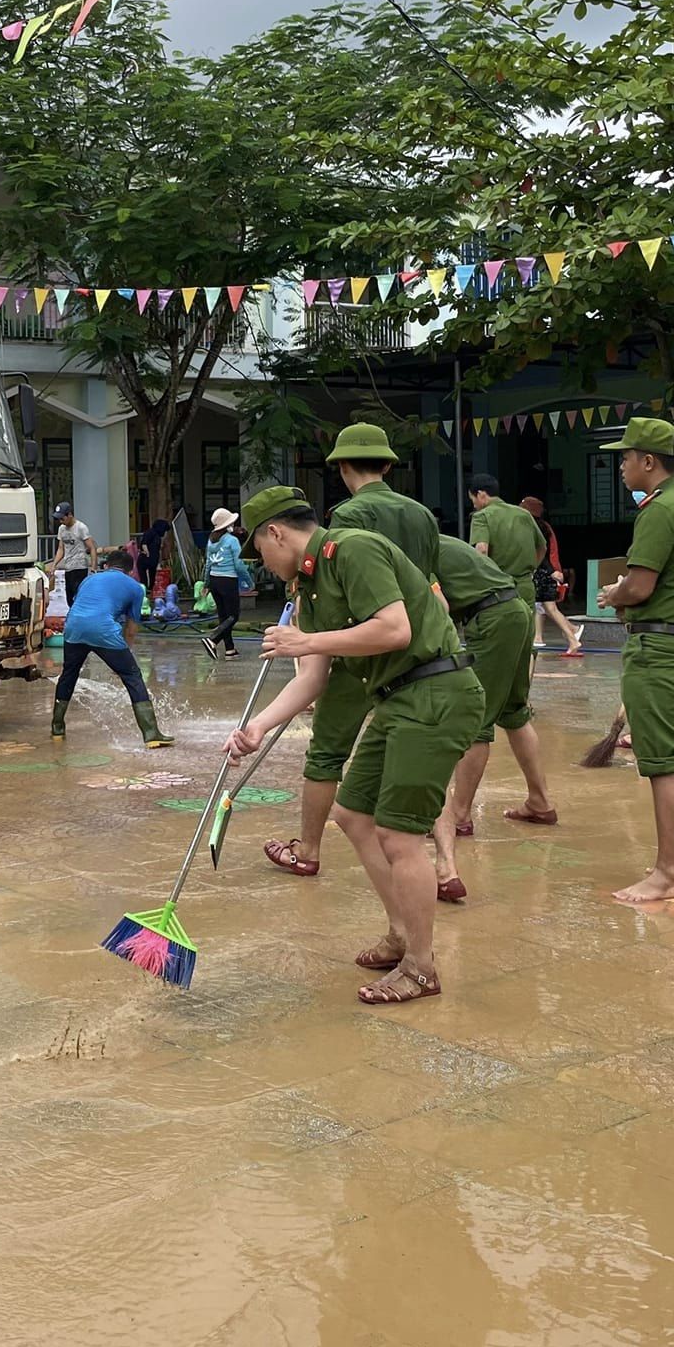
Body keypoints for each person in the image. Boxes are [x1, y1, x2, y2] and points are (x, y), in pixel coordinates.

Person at [227, 486, 482, 1005]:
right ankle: (400, 933)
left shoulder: (352, 549)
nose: (262, 564)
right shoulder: (311, 586)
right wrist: (258, 726)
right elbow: (313, 678)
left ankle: (421, 966)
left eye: (259, 550)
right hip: (395, 699)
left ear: (276, 533)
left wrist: (306, 641)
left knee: (398, 833)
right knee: (352, 814)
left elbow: (394, 628)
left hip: (435, 692)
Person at [262, 423, 436, 878]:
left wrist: (310, 636)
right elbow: (432, 588)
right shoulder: (421, 515)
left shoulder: (347, 523)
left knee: (327, 752)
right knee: (416, 759)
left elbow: (341, 585)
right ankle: (446, 861)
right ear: (387, 464)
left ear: (340, 468)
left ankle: (309, 848)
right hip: (428, 654)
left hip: (365, 646)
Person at [594, 418, 674, 904]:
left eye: (626, 457)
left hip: (659, 648)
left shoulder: (660, 510)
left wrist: (615, 593)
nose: (623, 466)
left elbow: (642, 584)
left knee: (664, 761)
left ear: (649, 461)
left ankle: (665, 874)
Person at [428, 534, 557, 901]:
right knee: (514, 712)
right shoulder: (441, 541)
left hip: (490, 619)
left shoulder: (414, 550)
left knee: (475, 720)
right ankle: (540, 802)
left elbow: (438, 604)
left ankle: (460, 815)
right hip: (515, 610)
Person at [51, 549, 172, 747]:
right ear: (130, 571)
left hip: (73, 627)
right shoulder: (135, 587)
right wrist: (125, 658)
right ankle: (151, 734)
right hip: (103, 629)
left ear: (106, 566)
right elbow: (131, 629)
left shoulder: (89, 580)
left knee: (69, 674)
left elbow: (81, 604)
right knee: (132, 677)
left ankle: (57, 727)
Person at [519, 496, 584, 656]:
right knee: (546, 608)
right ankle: (570, 633)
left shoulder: (534, 528)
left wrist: (549, 571)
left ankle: (573, 637)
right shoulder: (543, 527)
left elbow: (542, 552)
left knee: (549, 608)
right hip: (545, 573)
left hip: (543, 574)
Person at [469, 475, 547, 598]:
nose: (474, 505)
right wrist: (532, 570)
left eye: (472, 499)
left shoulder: (481, 516)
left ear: (480, 494)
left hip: (499, 587)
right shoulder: (524, 514)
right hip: (525, 585)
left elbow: (482, 549)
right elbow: (542, 547)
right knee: (527, 617)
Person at [203, 508, 244, 660]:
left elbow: (208, 563)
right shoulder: (232, 540)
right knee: (233, 616)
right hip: (228, 580)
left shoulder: (211, 540)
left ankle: (230, 650)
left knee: (224, 616)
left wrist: (206, 583)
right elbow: (239, 565)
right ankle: (212, 640)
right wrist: (248, 580)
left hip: (214, 580)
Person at [48, 502, 94, 605]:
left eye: (62, 518)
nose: (61, 521)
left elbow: (92, 547)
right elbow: (61, 548)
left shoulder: (81, 527)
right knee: (69, 599)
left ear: (70, 515)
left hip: (80, 567)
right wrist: (54, 564)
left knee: (78, 596)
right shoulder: (61, 529)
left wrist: (93, 567)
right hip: (68, 567)